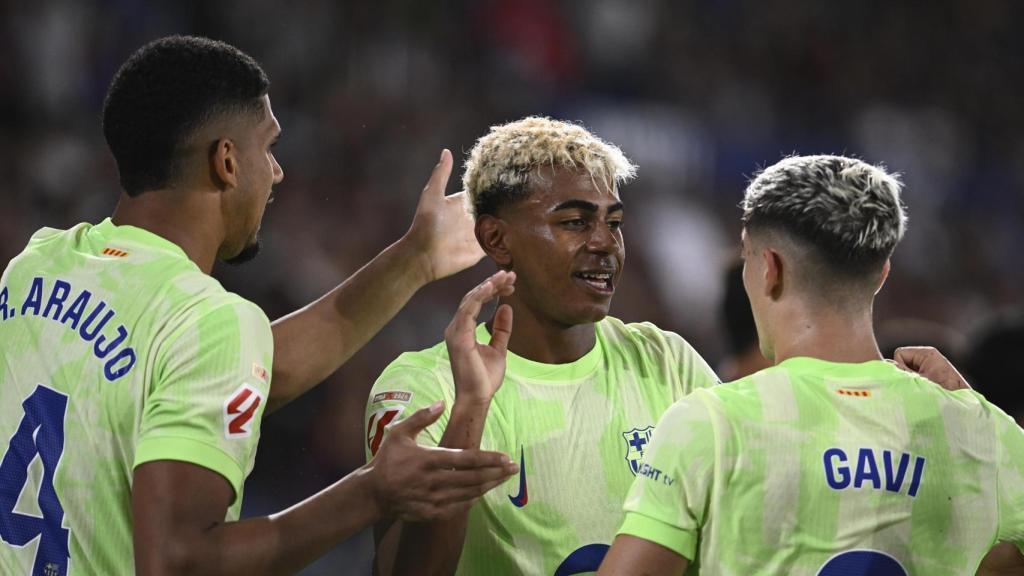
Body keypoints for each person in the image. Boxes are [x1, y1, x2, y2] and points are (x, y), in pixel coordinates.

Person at [0, 36, 517, 576]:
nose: (276, 172)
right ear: (226, 161)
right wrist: (371, 492)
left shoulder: (39, 266)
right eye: (267, 148)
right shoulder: (209, 321)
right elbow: (177, 562)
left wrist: (414, 259)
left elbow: (235, 373)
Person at [596, 155, 1024, 575]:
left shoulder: (710, 424)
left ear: (769, 269)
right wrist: (976, 414)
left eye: (747, 257)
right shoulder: (983, 434)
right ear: (882, 273)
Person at [366, 117, 721, 575]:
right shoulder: (422, 389)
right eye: (575, 222)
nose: (605, 243)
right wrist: (471, 408)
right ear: (496, 238)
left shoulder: (667, 362)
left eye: (614, 222)